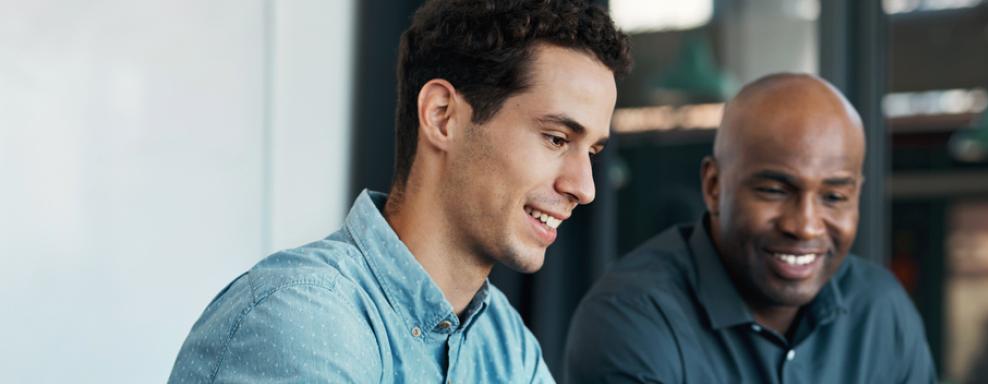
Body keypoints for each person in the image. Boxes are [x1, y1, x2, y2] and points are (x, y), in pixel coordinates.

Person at [169, 0, 630, 381]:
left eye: (590, 151)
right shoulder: (302, 318)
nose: (584, 188)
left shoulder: (506, 345)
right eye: (556, 139)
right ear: (442, 115)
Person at [563, 73, 936, 383]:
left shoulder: (880, 309)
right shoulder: (632, 316)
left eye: (834, 197)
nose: (805, 226)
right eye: (774, 190)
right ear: (713, 186)